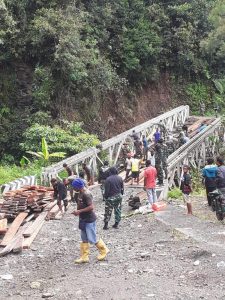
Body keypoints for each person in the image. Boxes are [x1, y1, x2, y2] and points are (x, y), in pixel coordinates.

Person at [71, 178, 109, 263]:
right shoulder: (80, 193)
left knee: (92, 238)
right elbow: (81, 205)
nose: (73, 188)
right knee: (84, 238)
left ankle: (104, 250)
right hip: (83, 218)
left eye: (74, 187)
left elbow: (91, 207)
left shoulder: (86, 194)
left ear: (78, 187)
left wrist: (79, 211)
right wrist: (77, 212)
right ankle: (84, 257)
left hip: (89, 219)